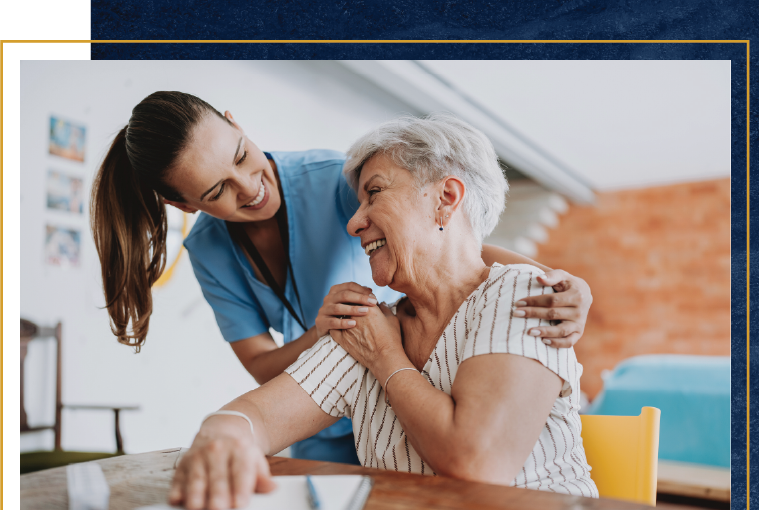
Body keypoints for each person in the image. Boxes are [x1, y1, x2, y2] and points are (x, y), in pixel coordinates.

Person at [90, 91, 593, 466]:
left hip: (394, 403)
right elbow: (262, 382)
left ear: (235, 123)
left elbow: (443, 243)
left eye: (242, 155)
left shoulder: (336, 179)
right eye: (218, 189)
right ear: (185, 205)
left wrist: (551, 279)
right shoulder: (211, 251)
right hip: (337, 412)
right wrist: (320, 336)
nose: (249, 188)